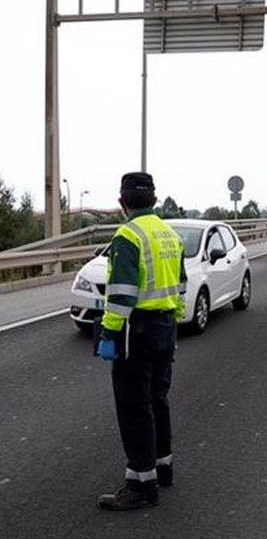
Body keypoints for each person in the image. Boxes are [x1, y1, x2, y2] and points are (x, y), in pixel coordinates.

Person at [96, 172, 187, 511]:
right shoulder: (169, 233)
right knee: (158, 399)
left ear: (122, 204)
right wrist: (173, 325)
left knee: (134, 407)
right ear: (154, 199)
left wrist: (108, 333)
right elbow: (180, 286)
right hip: (164, 327)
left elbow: (120, 295)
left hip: (136, 330)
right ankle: (163, 467)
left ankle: (141, 485)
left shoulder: (127, 235)